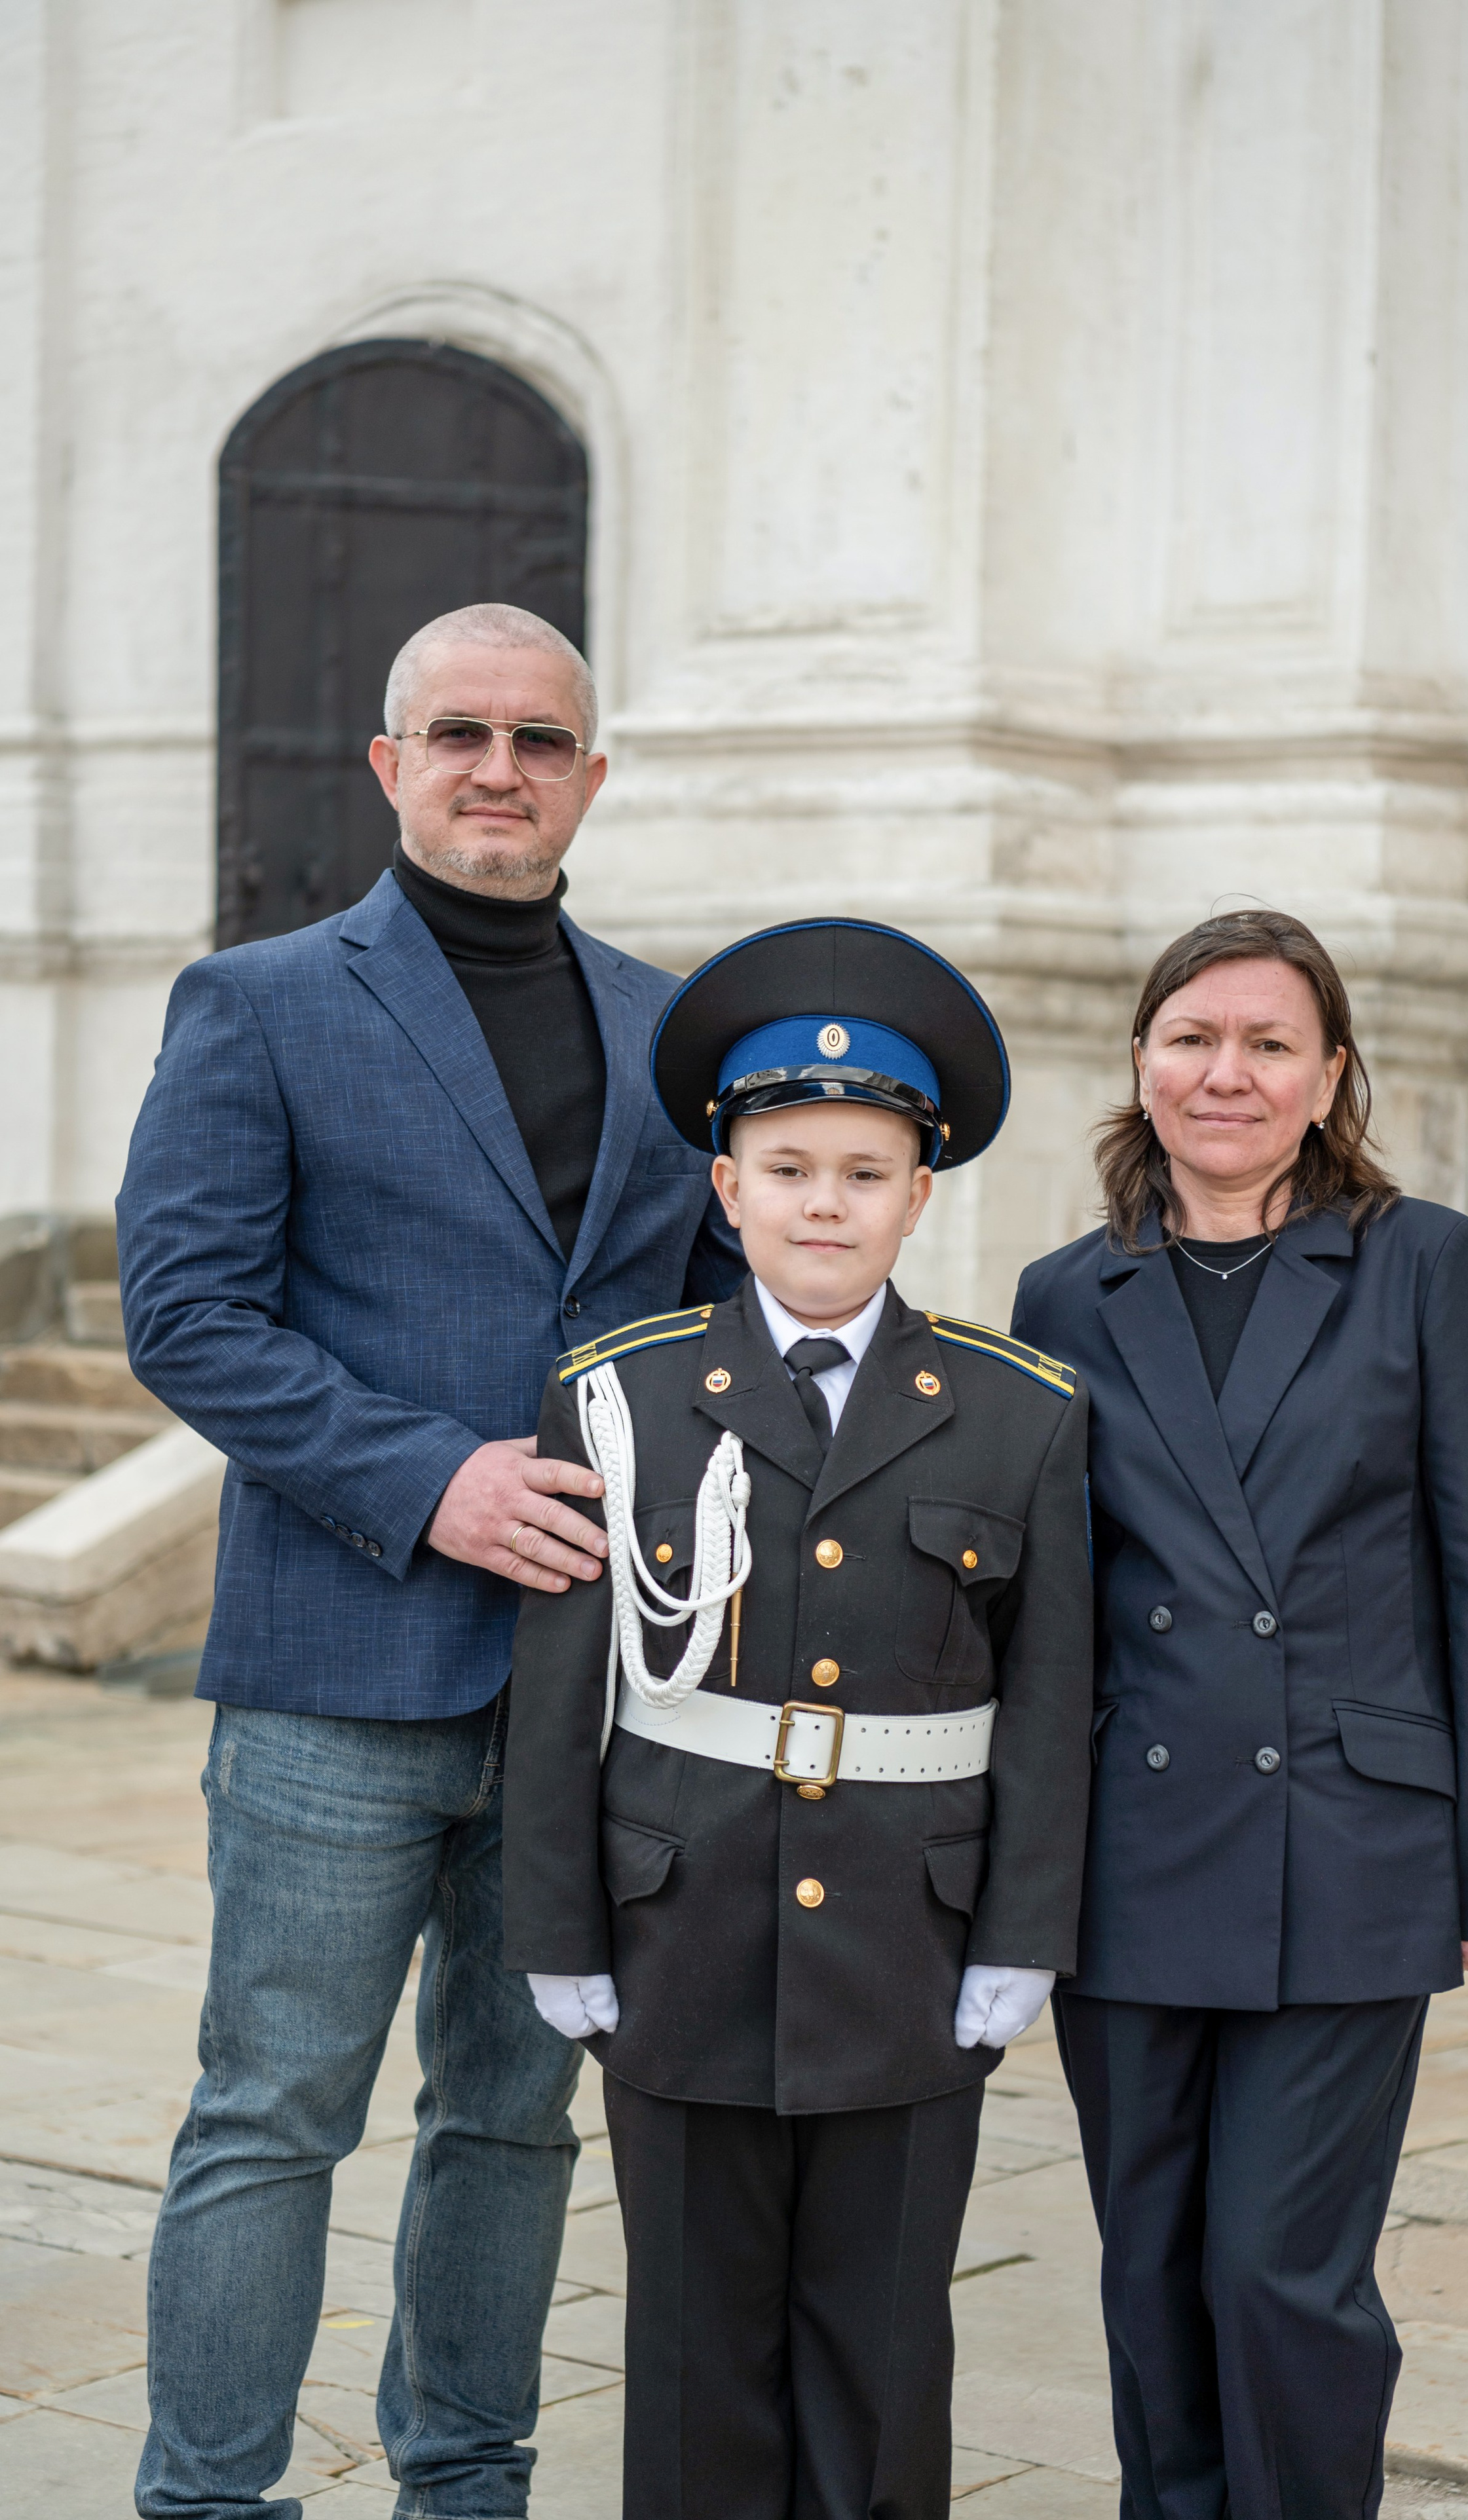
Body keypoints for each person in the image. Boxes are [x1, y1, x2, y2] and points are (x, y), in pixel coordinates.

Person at [116, 602, 741, 2520]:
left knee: (516, 2119)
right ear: (390, 768)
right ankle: (213, 2501)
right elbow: (189, 1314)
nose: (499, 767)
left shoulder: (674, 1027)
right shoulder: (263, 1002)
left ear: (591, 777)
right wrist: (429, 1481)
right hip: (339, 1668)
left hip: (589, 1688)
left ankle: (466, 2484)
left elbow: (718, 1328)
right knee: (268, 2119)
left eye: (540, 739)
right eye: (458, 734)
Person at [500, 918, 1095, 2520]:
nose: (821, 1200)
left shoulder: (1019, 1409)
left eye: (860, 1169)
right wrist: (556, 1919)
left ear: (919, 1192)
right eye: (785, 1165)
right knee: (692, 2352)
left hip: (909, 1944)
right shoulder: (614, 1393)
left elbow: (1047, 1696)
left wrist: (1018, 1933)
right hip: (677, 1933)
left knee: (884, 2342)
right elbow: (567, 1686)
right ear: (724, 1186)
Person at [1011, 906, 1468, 2520]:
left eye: (1265, 1044)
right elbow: (1045, 1608)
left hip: (1349, 1837)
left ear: (1327, 1077)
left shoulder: (1422, 1263)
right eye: (1191, 1038)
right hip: (1130, 1851)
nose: (1223, 1072)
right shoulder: (1063, 1293)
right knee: (1150, 2267)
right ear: (1140, 1062)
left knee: (1277, 2272)